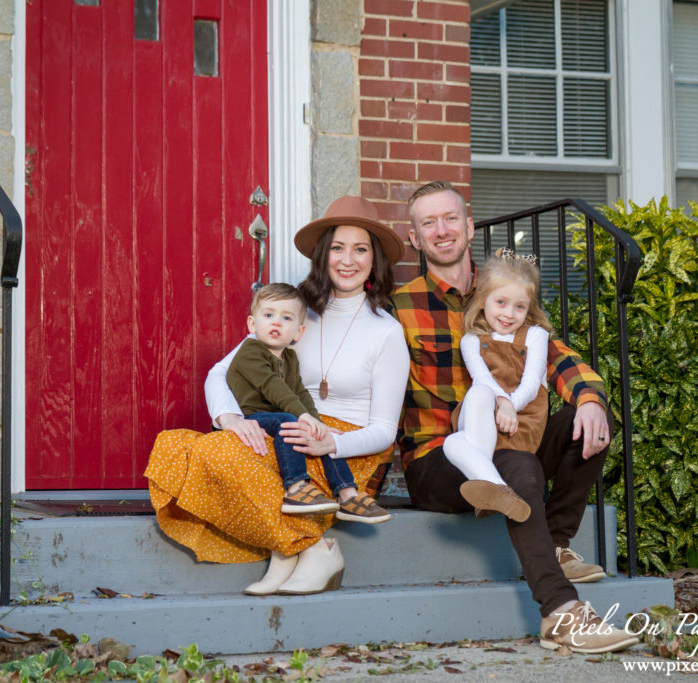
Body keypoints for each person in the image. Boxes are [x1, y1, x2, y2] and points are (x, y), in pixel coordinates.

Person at [391, 180, 638, 654]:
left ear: (469, 224)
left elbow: (557, 355)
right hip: (439, 458)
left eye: (449, 219)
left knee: (585, 423)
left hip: (510, 437)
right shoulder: (400, 308)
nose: (441, 231)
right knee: (519, 465)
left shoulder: (505, 294)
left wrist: (589, 399)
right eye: (428, 223)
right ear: (415, 238)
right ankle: (562, 614)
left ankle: (557, 544)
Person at [145, 195, 408, 596]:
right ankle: (307, 546)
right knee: (185, 446)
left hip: (345, 453)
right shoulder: (294, 312)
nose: (347, 260)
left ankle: (296, 550)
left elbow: (385, 429)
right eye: (337, 247)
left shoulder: (386, 331)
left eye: (360, 249)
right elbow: (222, 371)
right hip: (286, 437)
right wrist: (232, 419)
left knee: (223, 455)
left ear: (375, 260)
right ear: (323, 254)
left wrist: (331, 442)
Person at [227, 282, 390, 522]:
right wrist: (301, 417)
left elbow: (299, 392)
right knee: (290, 420)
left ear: (298, 332)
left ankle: (347, 493)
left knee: (320, 434)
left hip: (280, 418)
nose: (276, 322)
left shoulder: (289, 357)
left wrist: (315, 421)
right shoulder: (250, 351)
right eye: (269, 315)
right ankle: (295, 488)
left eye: (286, 318)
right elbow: (273, 387)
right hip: (254, 417)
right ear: (253, 323)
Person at [444, 249, 554, 524]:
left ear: (529, 308)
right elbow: (483, 379)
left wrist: (509, 406)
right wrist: (501, 402)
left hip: (520, 421)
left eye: (520, 306)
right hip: (482, 419)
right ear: (483, 301)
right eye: (501, 302)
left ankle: (489, 488)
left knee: (453, 443)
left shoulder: (536, 336)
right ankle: (500, 489)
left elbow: (530, 385)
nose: (509, 313)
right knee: (480, 391)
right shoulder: (471, 340)